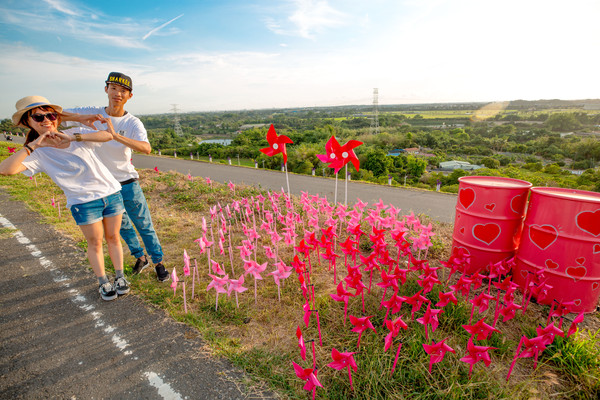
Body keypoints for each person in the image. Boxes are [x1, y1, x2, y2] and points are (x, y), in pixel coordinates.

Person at [0, 95, 129, 301]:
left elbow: (106, 135)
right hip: (83, 203)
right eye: (38, 117)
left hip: (110, 193)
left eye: (50, 115)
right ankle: (103, 282)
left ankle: (120, 277)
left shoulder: (75, 134)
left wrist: (73, 137)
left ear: (57, 117)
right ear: (27, 122)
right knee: (95, 243)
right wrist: (33, 145)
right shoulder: (37, 154)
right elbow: (5, 170)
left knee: (113, 238)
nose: (46, 120)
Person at [61, 72, 169, 282]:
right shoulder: (92, 112)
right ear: (106, 90)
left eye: (123, 90)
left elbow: (146, 148)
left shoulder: (132, 123)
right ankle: (140, 257)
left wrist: (115, 135)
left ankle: (159, 262)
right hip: (104, 187)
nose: (118, 93)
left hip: (128, 182)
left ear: (129, 95)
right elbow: (57, 116)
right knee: (123, 228)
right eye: (113, 88)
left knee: (143, 224)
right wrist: (83, 119)